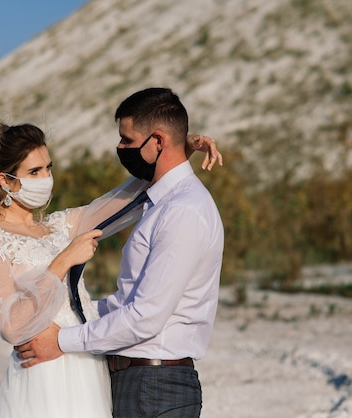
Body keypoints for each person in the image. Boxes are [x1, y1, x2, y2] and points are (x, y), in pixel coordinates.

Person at [0, 120, 221, 417]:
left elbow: (122, 201)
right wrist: (63, 261)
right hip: (44, 372)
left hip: (88, 364)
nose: (46, 179)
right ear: (5, 180)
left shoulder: (57, 227)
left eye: (48, 168)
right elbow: (11, 326)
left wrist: (176, 150)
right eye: (34, 172)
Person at [16, 87, 225, 417]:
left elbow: (145, 317)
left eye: (127, 140)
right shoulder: (161, 201)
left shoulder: (182, 211)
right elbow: (126, 302)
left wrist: (61, 341)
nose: (120, 148)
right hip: (141, 382)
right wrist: (66, 315)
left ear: (157, 142)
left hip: (155, 386)